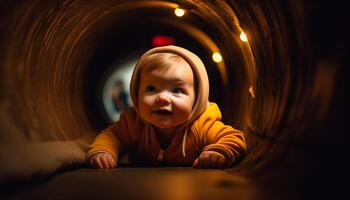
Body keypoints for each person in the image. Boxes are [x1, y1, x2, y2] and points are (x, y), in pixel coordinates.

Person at [86, 45, 246, 169]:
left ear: (197, 99)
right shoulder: (133, 122)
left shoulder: (203, 125)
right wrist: (104, 152)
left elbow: (234, 138)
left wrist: (217, 152)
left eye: (177, 90)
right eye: (151, 89)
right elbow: (112, 137)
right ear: (136, 93)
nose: (162, 98)